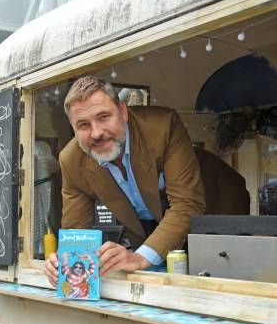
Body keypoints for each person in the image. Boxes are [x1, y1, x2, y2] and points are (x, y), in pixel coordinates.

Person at [45, 76, 246, 286]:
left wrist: (139, 258)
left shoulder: (164, 126)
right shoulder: (70, 160)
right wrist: (64, 266)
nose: (96, 133)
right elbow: (78, 235)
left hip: (216, 204)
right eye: (83, 125)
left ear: (123, 111)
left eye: (104, 117)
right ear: (73, 128)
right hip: (154, 232)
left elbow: (187, 203)